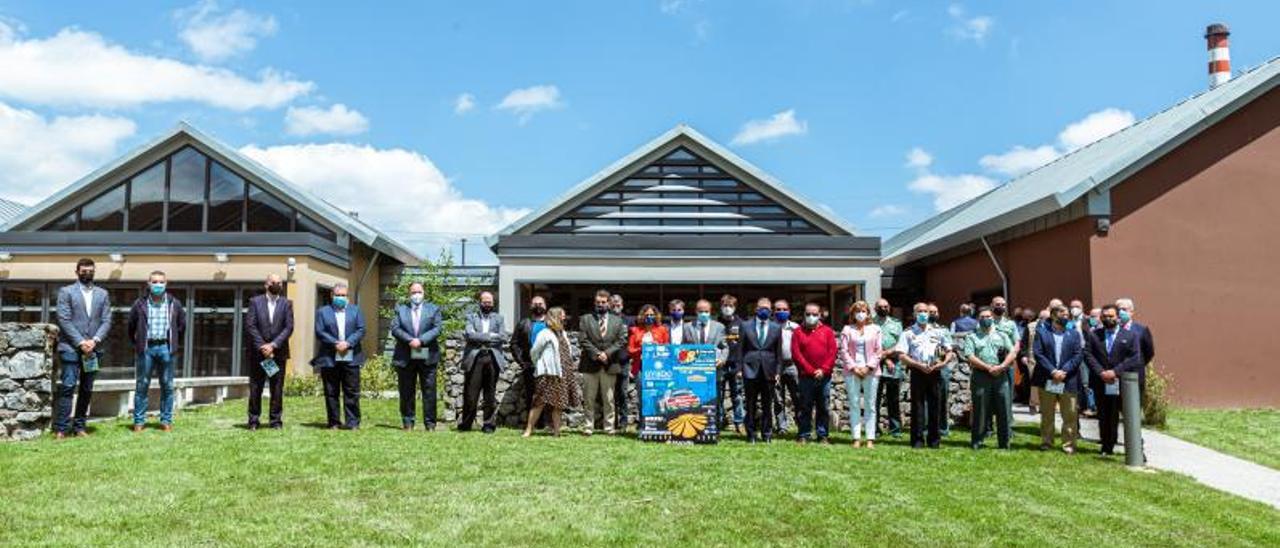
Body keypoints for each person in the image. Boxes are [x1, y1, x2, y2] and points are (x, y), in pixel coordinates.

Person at [53, 258, 111, 439]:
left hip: (93, 350)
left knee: (87, 388)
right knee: (68, 386)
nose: (88, 273)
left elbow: (106, 320)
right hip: (70, 348)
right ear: (77, 271)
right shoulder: (66, 292)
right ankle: (61, 428)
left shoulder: (103, 294)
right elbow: (63, 319)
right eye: (84, 271)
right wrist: (80, 342)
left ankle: (79, 427)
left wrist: (94, 340)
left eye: (91, 271)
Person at [127, 270, 185, 433]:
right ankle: (139, 422)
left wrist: (172, 343)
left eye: (161, 282)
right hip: (146, 349)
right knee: (142, 385)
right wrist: (138, 344)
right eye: (154, 282)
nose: (158, 285)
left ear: (166, 283)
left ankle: (166, 420)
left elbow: (181, 326)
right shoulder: (140, 303)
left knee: (167, 384)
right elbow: (131, 326)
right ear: (148, 284)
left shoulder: (174, 303)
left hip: (166, 348)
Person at [1084, 305, 1144, 455]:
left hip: (1123, 382)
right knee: (1105, 416)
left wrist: (1115, 372)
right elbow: (1088, 354)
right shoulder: (1094, 335)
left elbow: (1135, 357)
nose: (1107, 319)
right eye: (1104, 316)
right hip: (1102, 381)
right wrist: (1101, 372)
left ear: (1118, 317)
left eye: (1111, 316)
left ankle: (1136, 450)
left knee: (1129, 416)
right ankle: (1106, 446)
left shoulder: (1130, 336)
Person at [894, 302, 953, 449]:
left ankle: (934, 440)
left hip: (935, 371)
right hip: (917, 371)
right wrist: (917, 364)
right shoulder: (908, 333)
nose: (923, 314)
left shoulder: (939, 331)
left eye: (926, 311)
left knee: (935, 406)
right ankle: (917, 440)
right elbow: (901, 355)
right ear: (914, 315)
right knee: (917, 407)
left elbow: (949, 351)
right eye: (920, 311)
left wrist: (943, 363)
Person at [390, 282, 443, 431]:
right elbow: (395, 328)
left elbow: (437, 328)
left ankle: (430, 424)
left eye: (419, 292)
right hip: (405, 355)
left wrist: (421, 340)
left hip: (428, 355)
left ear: (424, 293)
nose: (416, 295)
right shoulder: (400, 310)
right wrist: (410, 340)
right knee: (406, 391)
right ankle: (408, 422)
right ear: (409, 294)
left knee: (429, 391)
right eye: (413, 292)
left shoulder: (434, 309)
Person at [312, 283, 365, 429]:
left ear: (347, 297)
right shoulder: (323, 312)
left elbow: (361, 330)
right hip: (329, 357)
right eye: (338, 295)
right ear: (331, 296)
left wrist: (348, 343)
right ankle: (334, 422)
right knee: (331, 391)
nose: (340, 298)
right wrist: (336, 343)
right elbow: (320, 331)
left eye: (343, 295)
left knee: (352, 391)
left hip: (351, 356)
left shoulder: (356, 311)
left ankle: (352, 422)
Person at [1033, 304, 1085, 453]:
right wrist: (1053, 371)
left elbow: (1078, 355)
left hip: (1068, 380)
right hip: (1049, 379)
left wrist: (1064, 371)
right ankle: (1047, 442)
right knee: (1048, 414)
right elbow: (1038, 354)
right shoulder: (1042, 333)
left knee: (1070, 414)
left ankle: (1069, 444)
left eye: (1067, 314)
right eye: (1063, 314)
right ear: (1054, 315)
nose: (1066, 316)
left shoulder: (1074, 334)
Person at [245, 274, 294, 430]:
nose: (278, 285)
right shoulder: (255, 302)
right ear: (266, 284)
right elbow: (250, 326)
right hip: (258, 354)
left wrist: (273, 345)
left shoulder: (286, 303)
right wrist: (263, 346)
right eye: (274, 282)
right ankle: (253, 420)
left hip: (277, 354)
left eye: (280, 283)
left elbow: (289, 327)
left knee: (277, 388)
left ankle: (275, 421)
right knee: (256, 387)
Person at [962, 306, 1015, 449]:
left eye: (988, 317)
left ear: (993, 318)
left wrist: (1002, 366)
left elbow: (1012, 353)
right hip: (981, 375)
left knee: (1003, 409)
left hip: (1000, 375)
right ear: (979, 320)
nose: (986, 319)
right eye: (983, 317)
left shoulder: (1002, 335)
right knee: (980, 409)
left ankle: (1004, 443)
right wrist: (988, 368)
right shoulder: (972, 337)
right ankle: (977, 441)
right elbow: (970, 356)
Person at [523, 307, 579, 437]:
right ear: (556, 316)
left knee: (559, 404)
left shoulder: (563, 333)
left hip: (563, 373)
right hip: (548, 373)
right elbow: (534, 352)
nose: (565, 317)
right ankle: (528, 430)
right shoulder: (544, 333)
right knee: (539, 402)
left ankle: (556, 432)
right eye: (562, 315)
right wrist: (541, 364)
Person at [578, 289, 626, 436]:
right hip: (590, 363)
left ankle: (609, 427)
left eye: (603, 302)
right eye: (598, 302)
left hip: (610, 364)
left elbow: (621, 340)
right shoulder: (586, 319)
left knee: (609, 398)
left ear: (609, 304)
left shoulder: (617, 321)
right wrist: (597, 353)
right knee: (589, 398)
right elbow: (583, 339)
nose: (601, 305)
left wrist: (607, 353)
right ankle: (588, 426)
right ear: (594, 303)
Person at [460, 291, 507, 433]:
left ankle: (488, 424)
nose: (487, 304)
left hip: (492, 358)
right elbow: (469, 335)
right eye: (484, 301)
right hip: (475, 358)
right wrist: (490, 336)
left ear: (493, 303)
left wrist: (479, 336)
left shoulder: (499, 318)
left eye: (490, 302)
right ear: (479, 302)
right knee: (471, 394)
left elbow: (502, 336)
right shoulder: (471, 317)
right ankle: (466, 423)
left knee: (490, 394)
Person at [790, 302, 836, 444]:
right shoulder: (798, 332)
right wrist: (811, 370)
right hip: (806, 377)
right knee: (805, 406)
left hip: (824, 376)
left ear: (820, 315)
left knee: (823, 406)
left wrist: (823, 369)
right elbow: (796, 354)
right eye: (808, 314)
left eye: (814, 314)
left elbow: (832, 352)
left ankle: (822, 435)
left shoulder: (828, 331)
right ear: (804, 315)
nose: (811, 317)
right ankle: (804, 434)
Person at [840, 301, 882, 448]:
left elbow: (878, 350)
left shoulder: (875, 329)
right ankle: (856, 438)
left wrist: (868, 367)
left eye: (863, 311)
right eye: (857, 311)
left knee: (870, 405)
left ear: (868, 313)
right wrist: (854, 368)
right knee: (854, 404)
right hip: (852, 371)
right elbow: (844, 351)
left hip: (871, 371)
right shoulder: (847, 329)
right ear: (852, 314)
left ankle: (870, 438)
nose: (861, 314)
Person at [740, 297, 781, 443]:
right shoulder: (745, 326)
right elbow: (741, 349)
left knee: (767, 404)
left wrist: (777, 371)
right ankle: (751, 433)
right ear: (756, 309)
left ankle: (767, 433)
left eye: (767, 308)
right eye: (761, 307)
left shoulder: (776, 327)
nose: (764, 310)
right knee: (750, 403)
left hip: (768, 370)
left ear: (770, 311)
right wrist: (740, 369)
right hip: (750, 369)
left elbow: (778, 352)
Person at [512, 295, 549, 426]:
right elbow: (514, 344)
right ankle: (532, 424)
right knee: (531, 395)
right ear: (530, 306)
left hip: (548, 366)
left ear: (545, 306)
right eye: (535, 304)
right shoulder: (523, 323)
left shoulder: (551, 323)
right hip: (530, 366)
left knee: (549, 395)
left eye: (541, 303)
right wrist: (522, 362)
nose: (538, 306)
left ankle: (546, 423)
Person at [873, 298, 904, 438]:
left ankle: (895, 429)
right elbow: (870, 346)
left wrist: (886, 355)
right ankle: (874, 429)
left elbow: (900, 344)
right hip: (875, 366)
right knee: (875, 399)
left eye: (886, 306)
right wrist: (886, 359)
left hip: (894, 366)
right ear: (875, 308)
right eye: (880, 307)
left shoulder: (897, 324)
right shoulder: (870, 323)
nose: (883, 309)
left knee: (894, 399)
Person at [772, 299, 801, 435]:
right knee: (778, 398)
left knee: (798, 396)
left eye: (784, 309)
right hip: (775, 366)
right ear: (774, 311)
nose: (781, 312)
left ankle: (802, 424)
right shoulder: (770, 327)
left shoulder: (796, 328)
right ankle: (782, 426)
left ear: (789, 311)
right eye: (778, 309)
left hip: (792, 365)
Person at [717, 294, 745, 433]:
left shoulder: (741, 324)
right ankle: (719, 422)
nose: (727, 308)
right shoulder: (716, 323)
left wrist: (741, 367)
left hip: (735, 365)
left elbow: (744, 346)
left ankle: (739, 423)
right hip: (719, 365)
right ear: (721, 307)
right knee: (719, 395)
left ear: (735, 307)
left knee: (737, 396)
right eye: (725, 306)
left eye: (730, 306)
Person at [1116, 297, 1156, 394]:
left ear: (1131, 312)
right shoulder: (1111, 330)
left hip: (1135, 375)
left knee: (1134, 406)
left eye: (1124, 309)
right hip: (1115, 377)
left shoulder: (1141, 330)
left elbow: (1149, 352)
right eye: (1118, 310)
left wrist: (1137, 363)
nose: (1120, 312)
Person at [627, 304, 670, 391]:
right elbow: (630, 350)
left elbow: (667, 348)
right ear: (642, 316)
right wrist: (642, 348)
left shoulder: (662, 330)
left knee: (656, 393)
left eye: (651, 315)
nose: (649, 317)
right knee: (641, 392)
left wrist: (657, 347)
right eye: (647, 315)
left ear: (656, 316)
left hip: (657, 367)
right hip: (639, 366)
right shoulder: (635, 330)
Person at [609, 293, 635, 432]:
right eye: (613, 305)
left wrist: (630, 359)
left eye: (618, 305)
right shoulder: (605, 320)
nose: (615, 307)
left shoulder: (629, 321)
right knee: (609, 394)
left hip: (624, 362)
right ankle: (611, 422)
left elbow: (632, 341)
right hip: (609, 362)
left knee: (623, 393)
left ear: (622, 305)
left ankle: (624, 422)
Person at [928, 302, 955, 437]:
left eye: (935, 312)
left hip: (941, 367)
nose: (933, 314)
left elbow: (949, 348)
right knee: (926, 399)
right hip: (924, 367)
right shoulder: (918, 330)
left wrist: (943, 361)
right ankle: (926, 427)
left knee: (942, 398)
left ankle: (943, 427)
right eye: (930, 312)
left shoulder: (944, 330)